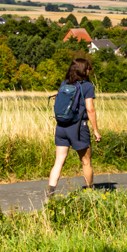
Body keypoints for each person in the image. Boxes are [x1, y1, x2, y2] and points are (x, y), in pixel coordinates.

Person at [47, 56, 100, 199]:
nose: (89, 71)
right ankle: (90, 194)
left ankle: (50, 195)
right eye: (88, 69)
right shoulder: (87, 86)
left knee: (58, 162)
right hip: (78, 128)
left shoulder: (64, 83)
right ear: (83, 70)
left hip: (61, 127)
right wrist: (95, 130)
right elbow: (90, 109)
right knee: (86, 162)